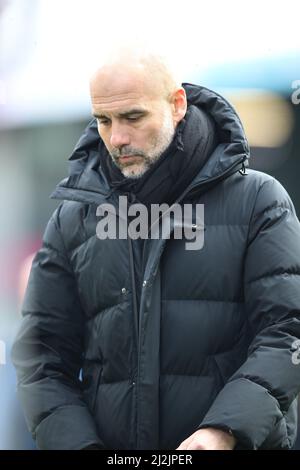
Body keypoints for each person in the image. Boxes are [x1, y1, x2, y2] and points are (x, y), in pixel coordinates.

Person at [12, 49, 300, 450]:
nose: (117, 138)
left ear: (177, 104)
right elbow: (41, 357)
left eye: (132, 117)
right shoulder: (73, 219)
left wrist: (225, 431)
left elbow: (288, 331)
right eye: (103, 120)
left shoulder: (259, 201)